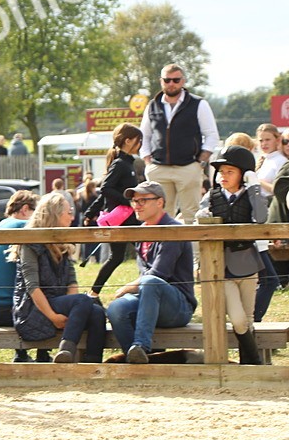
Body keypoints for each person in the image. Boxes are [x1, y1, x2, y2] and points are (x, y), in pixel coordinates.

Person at [105, 182, 197, 364]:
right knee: (116, 308)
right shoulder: (142, 232)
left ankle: (141, 346)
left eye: (143, 200)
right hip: (148, 302)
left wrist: (127, 287)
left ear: (160, 202)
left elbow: (159, 274)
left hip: (178, 307)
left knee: (150, 282)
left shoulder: (173, 230)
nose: (137, 205)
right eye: (134, 201)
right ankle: (137, 358)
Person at [9, 193, 107, 364]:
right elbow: (32, 287)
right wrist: (54, 316)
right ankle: (65, 351)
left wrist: (71, 309)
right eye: (68, 212)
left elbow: (71, 281)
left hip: (55, 302)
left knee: (96, 311)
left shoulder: (62, 241)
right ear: (55, 214)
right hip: (32, 309)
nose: (72, 217)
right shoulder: (29, 243)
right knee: (83, 301)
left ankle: (93, 364)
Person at [196, 146, 267, 364]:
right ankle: (256, 362)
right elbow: (200, 226)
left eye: (230, 172)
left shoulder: (251, 193)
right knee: (237, 320)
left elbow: (262, 218)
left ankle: (250, 366)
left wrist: (254, 185)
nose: (223, 176)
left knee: (248, 319)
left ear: (243, 174)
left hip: (248, 263)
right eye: (221, 171)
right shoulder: (212, 196)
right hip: (221, 266)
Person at [139, 64, 220, 221]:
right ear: (161, 81)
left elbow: (211, 135)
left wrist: (199, 163)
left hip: (188, 167)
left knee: (192, 215)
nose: (171, 84)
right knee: (159, 215)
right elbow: (144, 136)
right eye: (167, 80)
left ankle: (193, 247)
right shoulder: (152, 105)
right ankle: (163, 247)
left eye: (176, 80)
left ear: (183, 81)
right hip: (158, 167)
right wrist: (148, 162)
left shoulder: (198, 104)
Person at [0, 190, 41, 362]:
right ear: (25, 209)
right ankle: (43, 354)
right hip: (10, 310)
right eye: (36, 212)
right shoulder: (24, 227)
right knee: (48, 295)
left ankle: (21, 354)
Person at [89, 123, 143, 298]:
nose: (140, 144)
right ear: (128, 141)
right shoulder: (121, 164)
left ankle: (93, 293)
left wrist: (91, 211)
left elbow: (107, 191)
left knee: (119, 257)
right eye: (138, 140)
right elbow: (106, 188)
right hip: (125, 218)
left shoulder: (126, 163)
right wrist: (129, 201)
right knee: (144, 250)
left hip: (126, 217)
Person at [251, 123, 285, 319]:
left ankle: (252, 318)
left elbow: (277, 190)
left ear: (277, 140)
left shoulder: (280, 161)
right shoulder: (261, 159)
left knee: (267, 277)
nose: (264, 143)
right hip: (255, 217)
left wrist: (255, 180)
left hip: (268, 215)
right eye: (261, 140)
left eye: (268, 139)